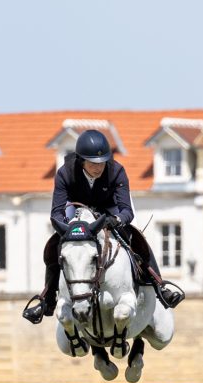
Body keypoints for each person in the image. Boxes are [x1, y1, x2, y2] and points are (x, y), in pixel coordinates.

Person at [22, 129, 185, 324]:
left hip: (109, 211)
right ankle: (47, 300)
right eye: (93, 163)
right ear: (82, 160)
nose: (98, 167)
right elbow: (56, 213)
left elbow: (127, 211)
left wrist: (116, 220)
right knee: (53, 245)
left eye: (102, 162)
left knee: (135, 237)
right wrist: (68, 229)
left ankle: (160, 287)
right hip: (77, 212)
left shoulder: (116, 171)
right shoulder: (65, 173)